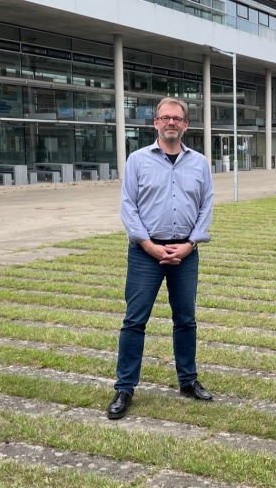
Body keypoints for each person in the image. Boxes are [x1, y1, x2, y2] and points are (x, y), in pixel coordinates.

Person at [108, 97, 214, 420]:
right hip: (145, 253)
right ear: (155, 123)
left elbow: (206, 205)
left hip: (185, 252)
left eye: (177, 118)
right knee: (134, 320)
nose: (171, 123)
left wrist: (191, 244)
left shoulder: (199, 163)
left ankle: (188, 380)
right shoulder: (137, 161)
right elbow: (128, 206)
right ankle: (124, 387)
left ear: (185, 125)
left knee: (186, 320)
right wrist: (149, 245)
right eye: (165, 118)